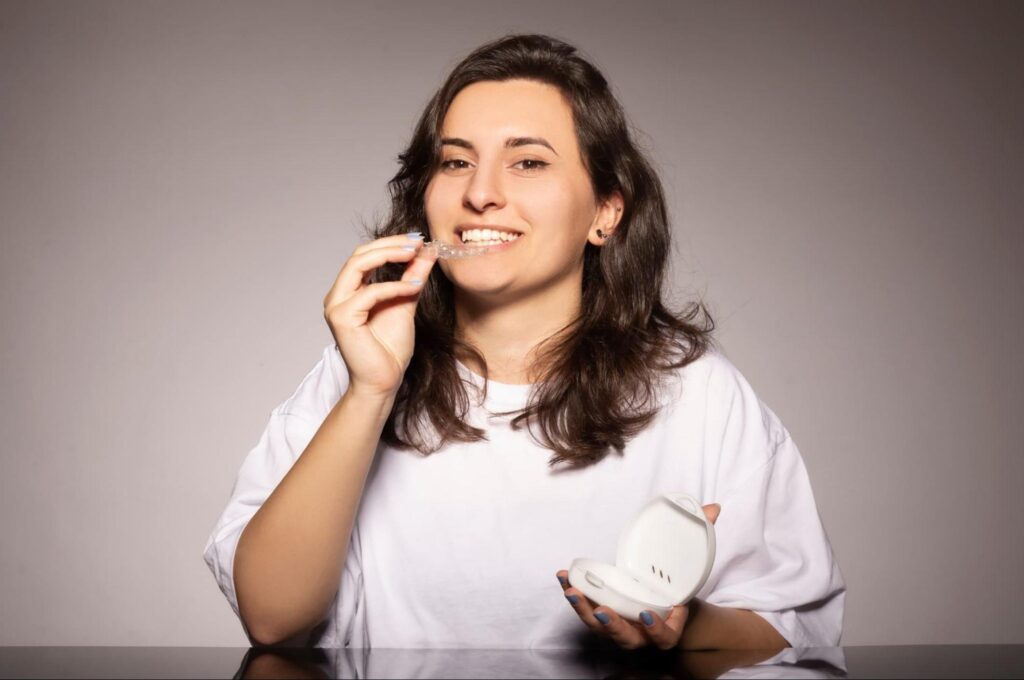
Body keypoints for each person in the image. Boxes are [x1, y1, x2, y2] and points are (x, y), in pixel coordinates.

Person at [204, 33, 846, 651]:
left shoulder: (696, 391)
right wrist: (372, 391)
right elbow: (271, 617)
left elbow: (788, 628)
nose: (480, 193)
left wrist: (677, 628)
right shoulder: (357, 374)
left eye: (529, 162)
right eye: (456, 162)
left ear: (606, 213)